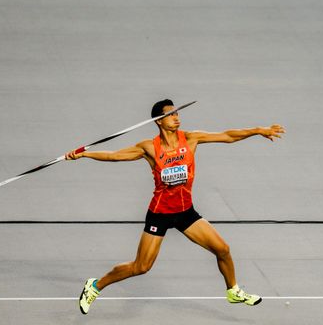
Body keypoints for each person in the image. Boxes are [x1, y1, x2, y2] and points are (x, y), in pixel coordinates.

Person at [66, 99, 285, 314]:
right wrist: (84, 154)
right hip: (159, 214)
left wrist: (258, 130)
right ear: (159, 121)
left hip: (185, 212)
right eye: (171, 115)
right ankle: (95, 286)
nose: (176, 117)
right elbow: (115, 156)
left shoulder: (190, 139)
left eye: (177, 113)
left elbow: (227, 135)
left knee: (223, 249)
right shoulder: (149, 148)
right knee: (141, 267)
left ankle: (233, 291)